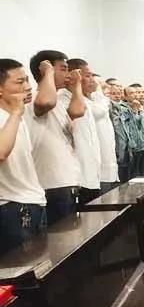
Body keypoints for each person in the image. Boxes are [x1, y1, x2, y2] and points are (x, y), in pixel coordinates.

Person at [26, 50, 84, 225]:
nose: (68, 74)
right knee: (61, 236)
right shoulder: (36, 97)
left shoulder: (57, 100)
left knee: (74, 234)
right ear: (46, 70)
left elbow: (77, 111)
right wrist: (48, 73)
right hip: (53, 183)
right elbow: (45, 102)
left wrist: (76, 87)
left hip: (67, 179)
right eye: (63, 69)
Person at [0, 59, 46, 254]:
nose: (27, 87)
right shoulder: (11, 116)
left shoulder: (18, 116)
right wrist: (16, 113)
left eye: (27, 80)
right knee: (21, 266)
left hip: (33, 201)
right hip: (12, 206)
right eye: (19, 82)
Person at [63, 59, 102, 204]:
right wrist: (77, 85)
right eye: (88, 76)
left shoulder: (85, 100)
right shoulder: (63, 99)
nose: (92, 80)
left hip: (91, 171)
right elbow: (76, 113)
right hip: (78, 175)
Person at [90, 78, 119, 193]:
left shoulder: (104, 104)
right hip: (99, 161)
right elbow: (99, 111)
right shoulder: (95, 104)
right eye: (103, 88)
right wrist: (99, 94)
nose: (108, 90)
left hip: (110, 156)